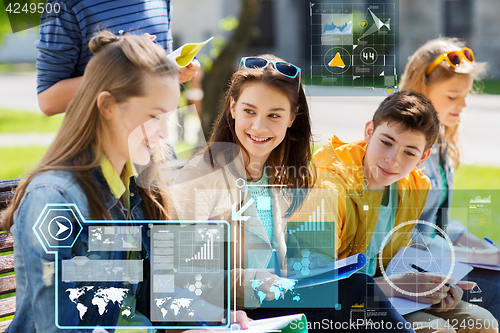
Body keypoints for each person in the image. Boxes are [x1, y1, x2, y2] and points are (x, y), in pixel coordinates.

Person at [1, 31, 246, 333]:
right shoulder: (54, 200)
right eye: (155, 116)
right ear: (107, 106)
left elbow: (154, 293)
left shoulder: (137, 184)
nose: (165, 134)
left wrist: (218, 317)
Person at [170, 55, 416, 333]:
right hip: (229, 315)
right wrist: (255, 281)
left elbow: (280, 259)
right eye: (249, 111)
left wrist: (304, 270)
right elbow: (181, 276)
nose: (259, 127)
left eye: (274, 115)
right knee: (358, 291)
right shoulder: (202, 175)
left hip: (273, 303)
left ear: (291, 118)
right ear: (233, 108)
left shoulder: (280, 172)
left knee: (357, 297)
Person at [310, 90, 497, 333]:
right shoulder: (327, 188)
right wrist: (396, 287)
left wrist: (433, 289)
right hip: (341, 305)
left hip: (384, 293)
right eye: (386, 143)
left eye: (409, 152)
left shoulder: (412, 187)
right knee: (437, 330)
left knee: (482, 322)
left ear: (423, 157)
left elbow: (392, 260)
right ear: (369, 132)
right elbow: (315, 284)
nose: (393, 160)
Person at [400, 38, 500, 322]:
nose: (463, 104)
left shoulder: (441, 144)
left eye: (466, 95)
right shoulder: (404, 152)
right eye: (453, 96)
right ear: (421, 92)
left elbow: (439, 222)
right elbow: (408, 235)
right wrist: (476, 256)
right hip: (412, 272)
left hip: (440, 261)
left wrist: (489, 251)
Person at [36, 0, 200, 116]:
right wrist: (124, 66)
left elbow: (152, 79)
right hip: (100, 155)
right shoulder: (66, 4)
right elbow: (48, 102)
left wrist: (174, 73)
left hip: (157, 149)